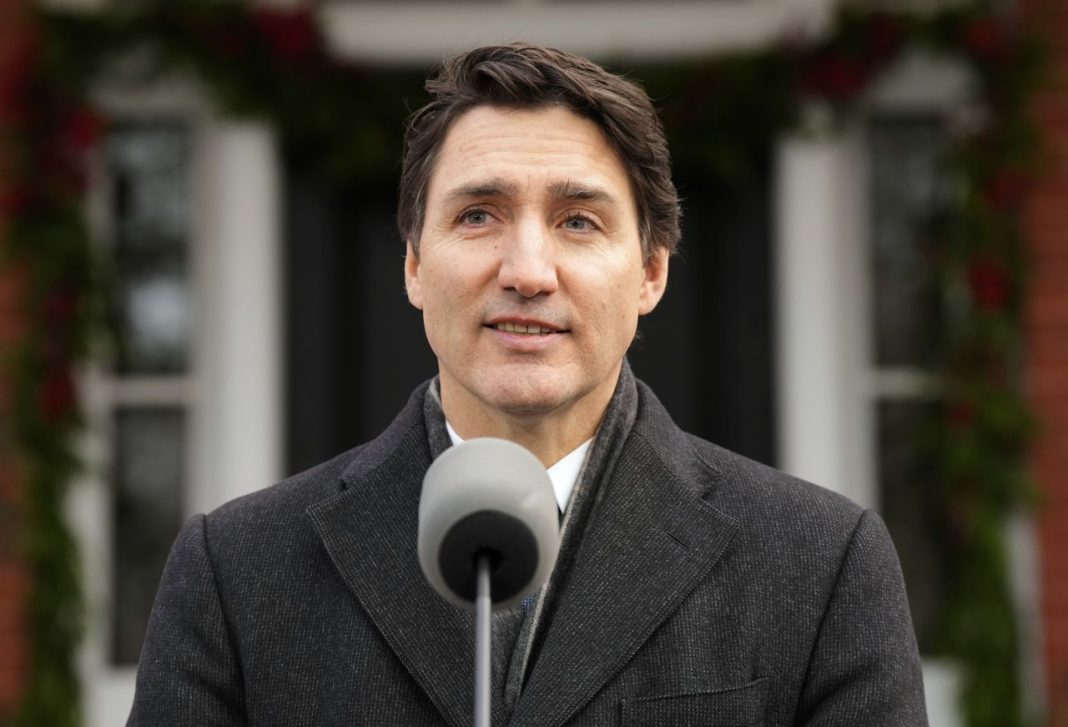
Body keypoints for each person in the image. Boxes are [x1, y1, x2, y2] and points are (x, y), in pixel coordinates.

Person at [128, 43, 928, 726]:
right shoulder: (235, 573)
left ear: (650, 272)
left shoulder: (822, 568)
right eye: (479, 215)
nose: (527, 272)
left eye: (579, 221)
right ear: (413, 263)